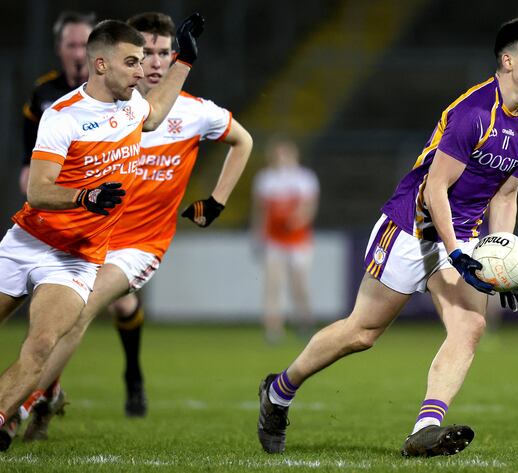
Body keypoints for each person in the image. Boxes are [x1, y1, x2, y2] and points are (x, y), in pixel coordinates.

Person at [256, 17, 518, 457]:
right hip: (412, 227)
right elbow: (435, 189)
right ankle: (279, 391)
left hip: (461, 236)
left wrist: (499, 256)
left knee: (470, 326)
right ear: (507, 61)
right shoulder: (473, 113)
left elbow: (505, 196)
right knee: (362, 332)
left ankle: (425, 430)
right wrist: (456, 253)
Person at [15, 11, 252, 441]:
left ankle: (19, 407)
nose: (154, 63)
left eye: (164, 53)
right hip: (91, 236)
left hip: (139, 245)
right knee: (52, 321)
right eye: (146, 54)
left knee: (81, 309)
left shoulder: (193, 112)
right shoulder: (107, 109)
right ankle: (47, 394)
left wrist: (217, 201)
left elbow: (243, 140)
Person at [21, 11, 96, 194]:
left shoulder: (112, 92)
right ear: (59, 48)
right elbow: (28, 162)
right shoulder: (42, 93)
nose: (78, 54)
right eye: (71, 45)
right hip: (57, 191)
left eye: (84, 45)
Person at [252, 139, 319, 343]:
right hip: (274, 241)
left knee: (299, 285)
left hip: (299, 241)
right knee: (273, 285)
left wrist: (297, 219)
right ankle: (273, 327)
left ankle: (304, 322)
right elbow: (259, 211)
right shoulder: (265, 179)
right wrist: (257, 236)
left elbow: (309, 207)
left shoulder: (305, 178)